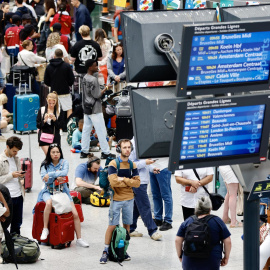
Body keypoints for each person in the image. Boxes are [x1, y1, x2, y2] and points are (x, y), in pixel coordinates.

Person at [36, 143, 89, 247]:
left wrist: (50, 175)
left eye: (57, 152)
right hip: (48, 191)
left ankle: (79, 239)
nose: (56, 154)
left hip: (63, 192)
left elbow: (64, 173)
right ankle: (45, 229)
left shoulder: (64, 162)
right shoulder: (44, 164)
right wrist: (56, 177)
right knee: (48, 203)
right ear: (49, 154)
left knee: (75, 214)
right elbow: (44, 179)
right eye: (53, 152)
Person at [99, 139, 140, 264]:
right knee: (112, 225)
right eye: (124, 147)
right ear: (119, 149)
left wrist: (123, 179)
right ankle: (106, 250)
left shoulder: (133, 165)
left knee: (127, 225)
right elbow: (113, 182)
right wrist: (128, 181)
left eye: (129, 147)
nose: (127, 150)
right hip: (116, 200)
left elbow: (137, 183)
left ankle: (123, 249)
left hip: (129, 199)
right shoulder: (113, 164)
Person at [175, 196, 232, 270]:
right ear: (210, 209)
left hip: (189, 260)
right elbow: (228, 241)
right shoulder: (217, 221)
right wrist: (226, 257)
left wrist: (180, 256)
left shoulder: (188, 221)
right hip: (211, 260)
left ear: (196, 209)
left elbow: (177, 240)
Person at [80, 59, 115, 160]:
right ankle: (105, 152)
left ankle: (84, 151)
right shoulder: (93, 79)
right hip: (95, 108)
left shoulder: (85, 77)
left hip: (87, 107)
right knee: (101, 130)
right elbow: (97, 95)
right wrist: (106, 88)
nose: (97, 67)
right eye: (95, 66)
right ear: (90, 67)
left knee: (86, 130)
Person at [129, 137, 162, 241]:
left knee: (136, 206)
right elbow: (130, 164)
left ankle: (130, 228)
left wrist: (152, 168)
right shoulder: (132, 145)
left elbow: (144, 162)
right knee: (145, 206)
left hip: (142, 180)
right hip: (137, 181)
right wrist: (146, 163)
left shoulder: (143, 142)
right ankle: (152, 230)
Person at [0, 136, 24, 234]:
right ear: (7, 147)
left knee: (17, 225)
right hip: (6, 197)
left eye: (17, 151)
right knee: (4, 225)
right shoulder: (1, 160)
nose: (16, 153)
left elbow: (18, 177)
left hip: (18, 195)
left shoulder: (16, 159)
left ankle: (16, 245)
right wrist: (11, 175)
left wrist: (21, 175)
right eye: (14, 151)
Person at [44, 48, 74, 118]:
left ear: (54, 55)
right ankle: (69, 126)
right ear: (62, 55)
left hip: (54, 92)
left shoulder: (49, 67)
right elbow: (71, 80)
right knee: (69, 108)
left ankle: (56, 126)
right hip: (65, 91)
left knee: (54, 110)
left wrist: (51, 84)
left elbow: (46, 81)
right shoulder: (67, 66)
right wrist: (68, 84)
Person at [149, 158, 173, 231]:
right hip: (152, 167)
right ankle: (158, 218)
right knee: (155, 195)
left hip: (163, 167)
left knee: (166, 195)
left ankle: (168, 221)